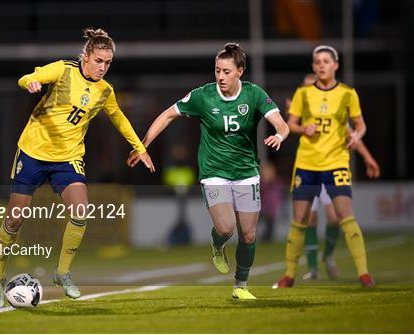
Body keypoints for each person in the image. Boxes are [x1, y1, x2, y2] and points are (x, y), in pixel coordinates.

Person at [0, 28, 155, 308]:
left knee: (81, 211)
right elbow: (29, 76)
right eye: (99, 60)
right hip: (33, 151)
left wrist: (140, 148)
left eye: (108, 63)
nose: (103, 67)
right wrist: (30, 82)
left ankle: (62, 272)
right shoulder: (64, 70)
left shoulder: (105, 91)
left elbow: (119, 119)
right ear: (86, 56)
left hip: (68, 157)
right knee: (15, 220)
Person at [128, 43, 289, 300]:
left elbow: (280, 123)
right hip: (214, 171)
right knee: (226, 228)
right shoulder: (203, 96)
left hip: (247, 171)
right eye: (217, 71)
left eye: (226, 71)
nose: (221, 77)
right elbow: (167, 115)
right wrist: (142, 145)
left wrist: (280, 134)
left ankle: (240, 285)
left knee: (248, 234)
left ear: (240, 71)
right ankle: (218, 244)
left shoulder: (254, 94)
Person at [273, 45, 375, 288]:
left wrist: (357, 136)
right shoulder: (304, 93)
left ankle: (363, 273)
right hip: (307, 163)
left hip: (336, 162)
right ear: (313, 66)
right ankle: (289, 275)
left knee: (344, 215)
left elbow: (360, 125)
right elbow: (291, 124)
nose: (321, 65)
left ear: (335, 65)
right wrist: (302, 128)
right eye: (317, 61)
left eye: (326, 61)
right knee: (300, 220)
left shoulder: (348, 94)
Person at [303, 132, 381, 280]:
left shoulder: (336, 115)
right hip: (309, 170)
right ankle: (312, 268)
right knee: (310, 219)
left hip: (331, 171)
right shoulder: (308, 112)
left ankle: (328, 255)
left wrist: (367, 157)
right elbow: (292, 121)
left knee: (334, 218)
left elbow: (352, 135)